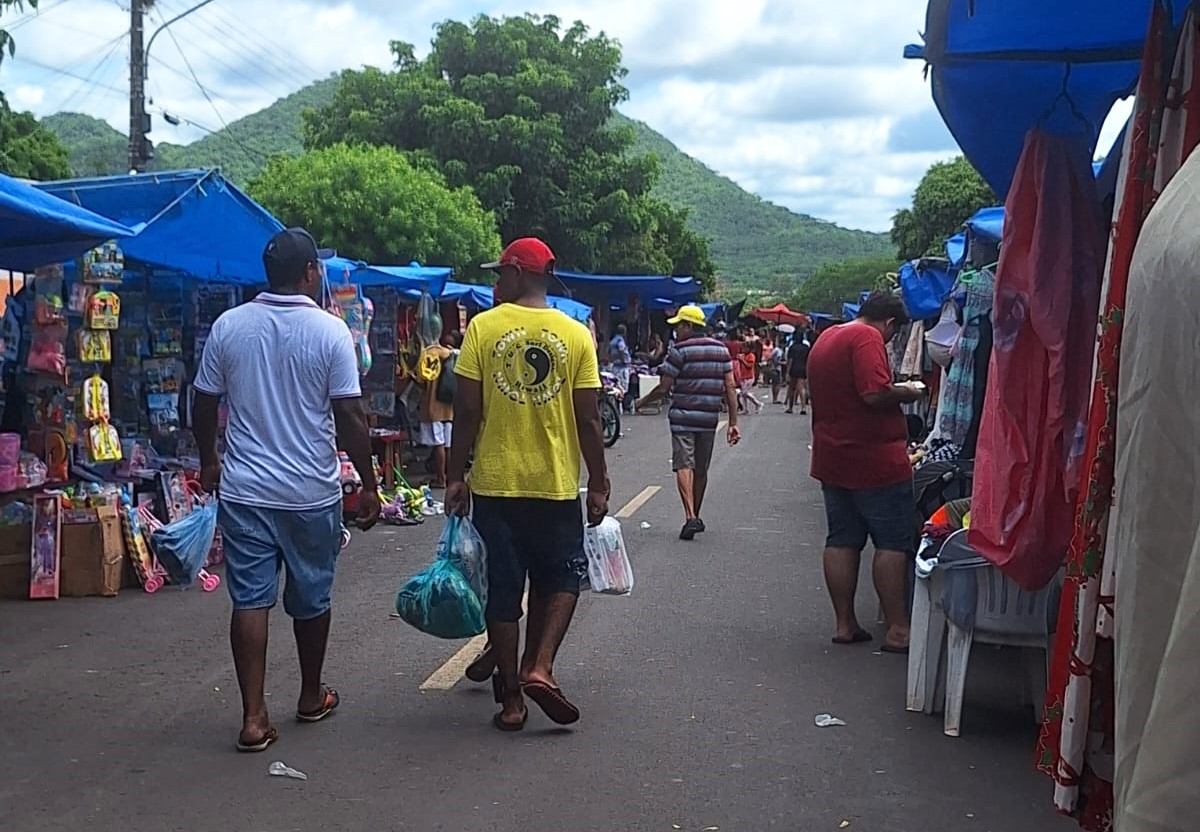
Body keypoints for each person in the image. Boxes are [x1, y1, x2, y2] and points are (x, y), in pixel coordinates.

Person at [191, 227, 381, 753]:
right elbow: (350, 415)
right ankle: (310, 693)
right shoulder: (330, 332)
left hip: (246, 490)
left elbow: (203, 400)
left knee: (250, 601)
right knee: (312, 595)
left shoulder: (229, 327)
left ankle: (253, 718)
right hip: (308, 493)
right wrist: (369, 484)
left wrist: (209, 458)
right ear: (310, 273)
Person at [445, 237, 609, 732]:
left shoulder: (483, 328)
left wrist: (456, 476)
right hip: (555, 485)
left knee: (503, 589)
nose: (496, 283)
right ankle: (540, 665)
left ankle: (513, 700)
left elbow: (467, 409)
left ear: (518, 273)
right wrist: (598, 482)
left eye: (500, 274)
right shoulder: (576, 334)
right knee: (559, 578)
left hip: (496, 485)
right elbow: (589, 420)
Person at [807, 291, 921, 653]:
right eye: (893, 334)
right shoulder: (867, 338)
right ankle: (899, 629)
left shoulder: (829, 336)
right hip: (874, 459)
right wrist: (908, 391)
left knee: (842, 538)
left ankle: (845, 623)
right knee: (892, 542)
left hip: (833, 455)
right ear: (889, 324)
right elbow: (874, 393)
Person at [637, 304, 741, 540]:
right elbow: (730, 387)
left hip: (683, 418)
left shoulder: (679, 351)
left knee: (684, 464)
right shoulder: (721, 350)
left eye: (679, 326)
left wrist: (642, 401)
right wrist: (733, 422)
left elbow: (664, 388)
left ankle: (690, 516)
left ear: (688, 326)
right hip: (708, 418)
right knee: (701, 469)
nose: (676, 332)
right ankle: (695, 515)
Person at [418, 330, 460, 488]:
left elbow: (422, 379)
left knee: (438, 444)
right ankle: (451, 477)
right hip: (450, 407)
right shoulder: (456, 356)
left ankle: (441, 478)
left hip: (433, 407)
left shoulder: (432, 354)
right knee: (448, 445)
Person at [785, 329, 813, 414]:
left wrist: (787, 372)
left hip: (794, 368)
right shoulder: (806, 348)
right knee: (802, 388)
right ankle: (803, 407)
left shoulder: (792, 348)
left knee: (792, 388)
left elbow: (790, 360)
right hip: (803, 368)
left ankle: (790, 407)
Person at [608, 323, 633, 413]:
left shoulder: (612, 341)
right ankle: (621, 407)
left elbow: (609, 353)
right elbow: (622, 350)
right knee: (623, 387)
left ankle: (618, 407)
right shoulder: (620, 341)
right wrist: (624, 360)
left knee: (615, 386)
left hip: (615, 366)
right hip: (622, 367)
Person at [738, 343, 764, 414]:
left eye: (745, 348)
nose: (743, 350)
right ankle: (745, 409)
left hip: (749, 377)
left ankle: (757, 403)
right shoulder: (743, 355)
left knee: (744, 393)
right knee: (743, 395)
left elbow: (749, 365)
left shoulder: (751, 356)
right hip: (743, 376)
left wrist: (742, 360)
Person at [766, 338, 784, 404]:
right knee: (777, 383)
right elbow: (772, 358)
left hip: (776, 368)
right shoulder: (777, 350)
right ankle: (775, 398)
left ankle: (775, 398)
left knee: (775, 383)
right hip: (776, 368)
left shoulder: (778, 350)